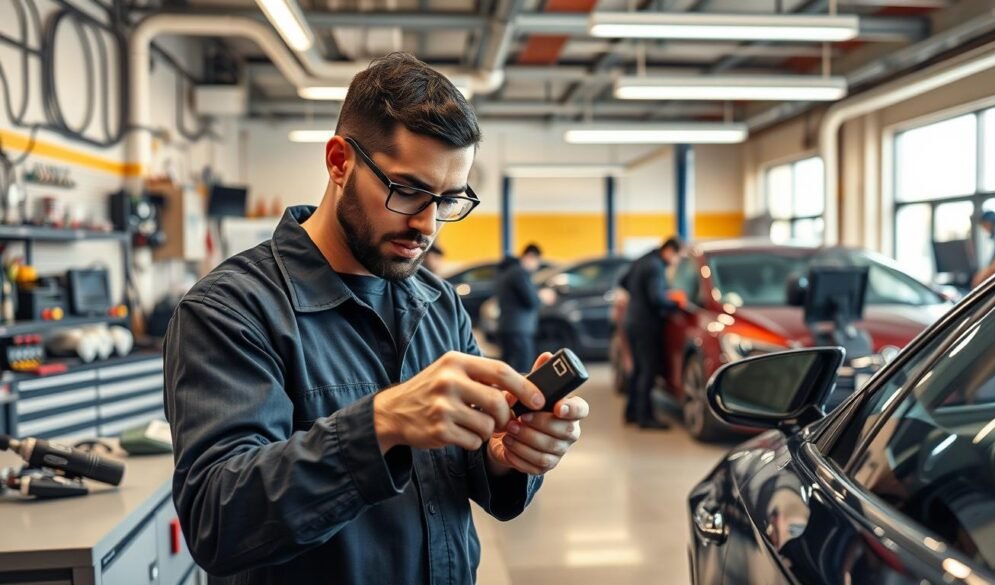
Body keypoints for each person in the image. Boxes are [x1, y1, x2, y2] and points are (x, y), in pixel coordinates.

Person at [163, 53, 589, 585]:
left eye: (448, 200)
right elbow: (217, 520)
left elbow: (470, 470)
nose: (427, 224)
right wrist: (380, 425)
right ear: (340, 161)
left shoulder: (438, 303)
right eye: (407, 190)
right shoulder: (231, 311)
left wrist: (507, 455)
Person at [621, 237, 683, 430]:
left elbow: (623, 281)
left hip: (632, 320)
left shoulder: (642, 260)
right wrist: (676, 303)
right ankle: (645, 418)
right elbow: (656, 298)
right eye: (677, 258)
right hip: (646, 324)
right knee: (648, 370)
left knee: (638, 369)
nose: (676, 263)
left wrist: (636, 297)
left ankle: (631, 412)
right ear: (670, 251)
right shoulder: (656, 266)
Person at [495, 243, 543, 373]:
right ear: (530, 257)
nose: (536, 266)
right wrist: (542, 296)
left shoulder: (507, 271)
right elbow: (531, 300)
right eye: (537, 261)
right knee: (523, 370)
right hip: (519, 329)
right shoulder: (519, 273)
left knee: (508, 370)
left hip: (507, 327)